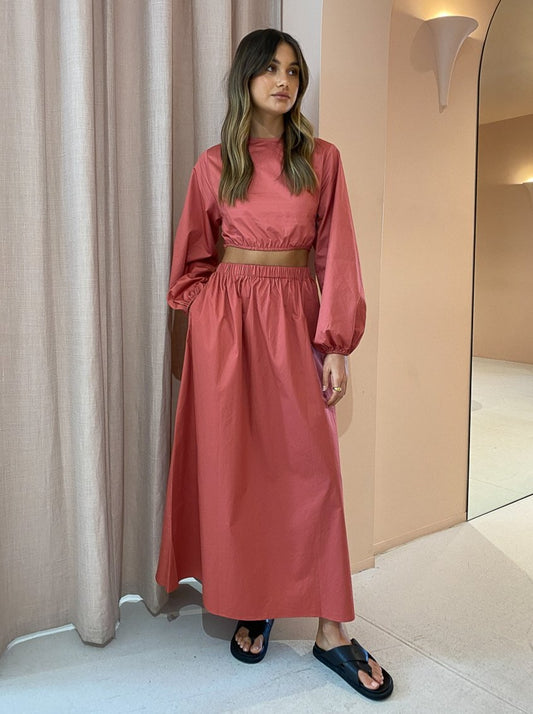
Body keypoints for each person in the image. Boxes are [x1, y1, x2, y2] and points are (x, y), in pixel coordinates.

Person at [156, 28, 393, 701]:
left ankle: (330, 630)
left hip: (295, 319)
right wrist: (209, 320)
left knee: (311, 470)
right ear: (246, 79)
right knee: (240, 471)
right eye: (269, 69)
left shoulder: (321, 159)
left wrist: (336, 343)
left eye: (293, 70)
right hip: (226, 329)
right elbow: (191, 260)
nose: (283, 81)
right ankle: (252, 600)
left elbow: (337, 254)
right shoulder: (214, 165)